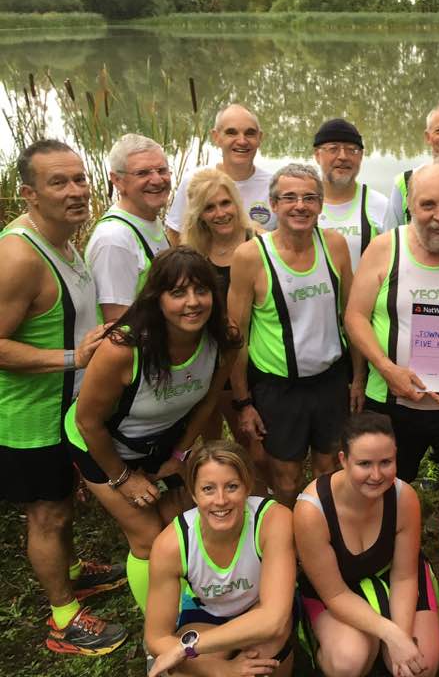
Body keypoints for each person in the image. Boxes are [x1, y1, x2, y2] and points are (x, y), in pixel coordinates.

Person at [0, 140, 127, 655]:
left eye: (79, 179)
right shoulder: (18, 257)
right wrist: (74, 358)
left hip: (64, 407)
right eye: (59, 182)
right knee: (47, 513)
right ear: (29, 193)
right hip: (29, 417)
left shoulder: (65, 241)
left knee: (59, 501)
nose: (76, 191)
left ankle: (73, 570)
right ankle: (64, 620)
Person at [65, 246, 242, 615]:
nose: (192, 302)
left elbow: (208, 401)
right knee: (147, 537)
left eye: (201, 290)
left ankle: (193, 593)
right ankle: (162, 627)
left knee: (186, 515)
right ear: (156, 299)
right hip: (101, 444)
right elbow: (87, 422)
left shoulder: (223, 339)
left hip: (164, 437)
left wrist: (179, 454)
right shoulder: (123, 349)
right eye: (177, 292)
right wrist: (124, 478)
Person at [345, 160, 439, 495]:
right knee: (381, 489)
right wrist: (387, 369)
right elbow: (355, 316)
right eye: (428, 205)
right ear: (411, 206)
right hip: (390, 398)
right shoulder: (385, 249)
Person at [228, 163, 356, 507]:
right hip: (279, 388)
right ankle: (287, 531)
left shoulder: (335, 245)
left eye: (310, 198)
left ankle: (323, 526)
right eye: (289, 198)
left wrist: (357, 379)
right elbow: (236, 337)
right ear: (273, 204)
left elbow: (351, 316)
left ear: (321, 204)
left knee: (329, 469)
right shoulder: (251, 256)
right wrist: (243, 403)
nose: (300, 206)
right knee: (286, 479)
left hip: (330, 381)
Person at [294, 411, 439, 677]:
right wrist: (391, 634)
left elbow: (405, 576)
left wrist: (401, 637)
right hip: (339, 588)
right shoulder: (311, 511)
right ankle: (332, 643)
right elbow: (335, 594)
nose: (376, 475)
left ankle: (384, 644)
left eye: (386, 462)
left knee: (419, 669)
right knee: (348, 661)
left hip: (394, 576)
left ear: (396, 456)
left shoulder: (404, 497)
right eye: (364, 464)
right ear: (343, 460)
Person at [144, 440, 295, 677]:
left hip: (260, 607)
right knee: (184, 670)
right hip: (207, 613)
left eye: (232, 486)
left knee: (265, 649)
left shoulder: (273, 520)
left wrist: (187, 647)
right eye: (208, 489)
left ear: (247, 487)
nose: (221, 500)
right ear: (193, 494)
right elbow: (156, 638)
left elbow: (272, 619)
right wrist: (222, 670)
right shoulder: (171, 544)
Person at [180, 168, 268, 488]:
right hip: (208, 361)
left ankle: (260, 498)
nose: (220, 213)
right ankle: (216, 495)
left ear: (236, 202)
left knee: (256, 448)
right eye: (209, 207)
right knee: (210, 443)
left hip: (255, 360)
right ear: (199, 214)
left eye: (225, 203)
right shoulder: (193, 253)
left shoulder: (260, 242)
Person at [85, 133, 172, 321]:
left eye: (162, 170)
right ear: (117, 180)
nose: (157, 180)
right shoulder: (114, 239)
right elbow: (118, 323)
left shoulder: (149, 220)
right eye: (143, 173)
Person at [166, 103, 274, 240]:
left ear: (260, 138)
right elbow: (174, 233)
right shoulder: (194, 181)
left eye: (250, 133)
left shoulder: (274, 186)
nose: (242, 141)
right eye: (231, 133)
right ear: (216, 137)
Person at [313, 118, 389, 271]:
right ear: (317, 155)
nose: (343, 156)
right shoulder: (302, 206)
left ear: (361, 156)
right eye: (333, 149)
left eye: (351, 150)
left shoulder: (380, 205)